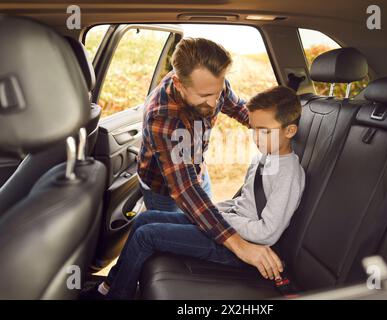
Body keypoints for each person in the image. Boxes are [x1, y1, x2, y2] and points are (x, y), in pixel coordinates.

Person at [82, 85, 305, 299]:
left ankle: (117, 296)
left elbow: (267, 233)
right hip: (231, 229)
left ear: (290, 130)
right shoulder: (263, 157)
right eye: (254, 129)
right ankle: (107, 287)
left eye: (265, 132)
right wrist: (210, 214)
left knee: (146, 236)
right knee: (145, 219)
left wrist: (218, 221)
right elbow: (243, 203)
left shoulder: (289, 173)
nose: (257, 138)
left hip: (243, 250)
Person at [134, 37, 287, 280]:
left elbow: (241, 110)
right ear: (179, 84)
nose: (215, 102)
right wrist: (242, 247)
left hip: (196, 172)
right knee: (168, 243)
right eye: (205, 96)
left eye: (218, 92)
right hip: (162, 187)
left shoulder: (212, 85)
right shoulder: (163, 116)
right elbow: (186, 191)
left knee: (203, 226)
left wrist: (275, 130)